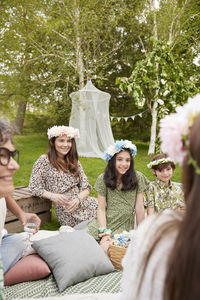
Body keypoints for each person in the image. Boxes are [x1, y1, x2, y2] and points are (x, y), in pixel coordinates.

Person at [120, 93, 200, 300]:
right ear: (155, 172)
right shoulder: (152, 190)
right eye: (161, 170)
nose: (166, 173)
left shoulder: (179, 188)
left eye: (169, 169)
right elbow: (150, 211)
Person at [0, 117, 40, 298]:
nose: (15, 165)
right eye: (2, 156)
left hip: (3, 238)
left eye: (11, 155)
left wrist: (21, 214)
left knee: (22, 241)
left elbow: (5, 194)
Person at [29, 125, 98, 228]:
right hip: (66, 208)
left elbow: (86, 187)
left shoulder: (74, 161)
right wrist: (53, 196)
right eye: (61, 141)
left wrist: (78, 199)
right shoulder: (44, 161)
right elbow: (33, 187)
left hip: (82, 201)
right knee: (96, 224)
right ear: (53, 142)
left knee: (109, 211)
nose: (66, 145)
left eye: (69, 141)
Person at [87, 139, 149, 253]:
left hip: (123, 225)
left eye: (127, 160)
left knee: (105, 250)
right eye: (119, 159)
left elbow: (139, 208)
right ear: (112, 160)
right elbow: (100, 209)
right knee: (84, 242)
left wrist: (141, 233)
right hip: (105, 222)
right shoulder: (103, 178)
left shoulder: (138, 177)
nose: (124, 164)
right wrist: (104, 232)